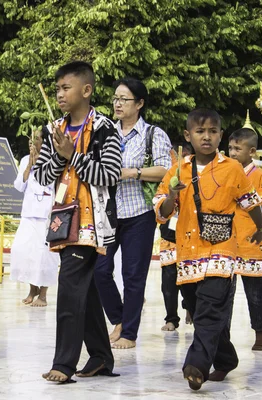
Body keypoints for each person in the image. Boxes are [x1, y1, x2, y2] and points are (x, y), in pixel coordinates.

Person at [154, 109, 262, 391]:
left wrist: (261, 227)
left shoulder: (232, 168)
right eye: (200, 131)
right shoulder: (177, 169)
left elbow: (249, 200)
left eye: (213, 131)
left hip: (221, 248)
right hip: (189, 250)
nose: (207, 137)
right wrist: (172, 194)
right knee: (197, 307)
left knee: (211, 307)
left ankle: (196, 365)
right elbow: (162, 212)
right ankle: (226, 357)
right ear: (187, 135)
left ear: (220, 135)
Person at [34, 61, 122, 382]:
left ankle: (64, 364)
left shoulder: (105, 129)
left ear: (86, 90)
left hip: (93, 222)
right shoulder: (54, 130)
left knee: (70, 289)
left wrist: (74, 156)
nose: (59, 94)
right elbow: (43, 175)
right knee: (84, 291)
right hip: (63, 219)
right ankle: (100, 356)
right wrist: (59, 154)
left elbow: (110, 175)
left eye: (66, 87)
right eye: (57, 88)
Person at [93, 77, 172, 349]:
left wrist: (132, 173)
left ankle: (129, 333)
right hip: (109, 212)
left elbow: (165, 169)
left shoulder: (153, 134)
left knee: (133, 275)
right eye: (115, 98)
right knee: (99, 270)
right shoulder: (104, 132)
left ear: (139, 104)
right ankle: (118, 319)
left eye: (124, 99)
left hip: (139, 213)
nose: (117, 103)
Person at [228, 125, 262, 351]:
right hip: (227, 243)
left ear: (252, 152)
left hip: (252, 243)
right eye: (230, 148)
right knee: (223, 296)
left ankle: (261, 333)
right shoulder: (225, 172)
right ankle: (222, 335)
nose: (232, 153)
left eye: (237, 148)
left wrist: (246, 201)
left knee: (255, 295)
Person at [10, 129, 59, 307]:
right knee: (23, 251)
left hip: (47, 214)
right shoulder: (25, 159)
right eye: (31, 139)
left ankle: (43, 295)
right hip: (29, 213)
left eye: (36, 139)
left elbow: (56, 185)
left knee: (44, 254)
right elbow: (19, 186)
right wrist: (29, 166)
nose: (32, 142)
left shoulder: (54, 159)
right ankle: (32, 289)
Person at [159, 142, 193, 332]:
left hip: (189, 235)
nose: (181, 160)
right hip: (168, 236)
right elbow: (161, 201)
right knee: (168, 281)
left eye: (185, 155)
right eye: (177, 155)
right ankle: (171, 318)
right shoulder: (169, 172)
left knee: (189, 277)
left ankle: (190, 308)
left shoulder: (196, 174)